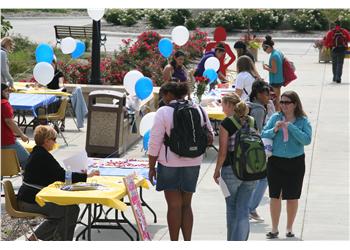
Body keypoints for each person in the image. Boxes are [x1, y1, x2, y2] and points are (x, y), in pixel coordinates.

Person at [148, 82, 213, 241]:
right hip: (194, 162)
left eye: (164, 95)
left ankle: (174, 241)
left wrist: (151, 167)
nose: (163, 99)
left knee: (174, 205)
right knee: (186, 205)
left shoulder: (163, 112)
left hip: (169, 163)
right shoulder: (199, 109)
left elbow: (154, 142)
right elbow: (209, 136)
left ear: (169, 95)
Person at [17, 125, 100, 240]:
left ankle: (38, 238)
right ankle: (60, 241)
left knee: (66, 210)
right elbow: (62, 175)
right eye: (54, 140)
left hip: (29, 198)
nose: (55, 142)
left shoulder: (38, 153)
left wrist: (78, 175)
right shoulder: (43, 156)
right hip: (30, 201)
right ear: (46, 141)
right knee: (70, 210)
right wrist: (86, 176)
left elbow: (57, 175)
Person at [261, 91, 312, 239]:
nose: (283, 105)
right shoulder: (276, 117)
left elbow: (307, 140)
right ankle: (275, 228)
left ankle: (289, 228)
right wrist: (275, 129)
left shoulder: (303, 121)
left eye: (286, 102)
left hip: (295, 162)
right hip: (276, 161)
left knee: (292, 196)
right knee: (275, 195)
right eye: (281, 102)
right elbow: (264, 134)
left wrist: (291, 127)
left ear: (295, 104)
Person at [213, 93, 257, 241]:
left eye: (223, 104)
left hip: (231, 170)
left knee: (231, 208)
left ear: (230, 106)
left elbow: (223, 152)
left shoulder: (226, 123)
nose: (222, 107)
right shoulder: (251, 121)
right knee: (243, 209)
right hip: (251, 170)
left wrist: (216, 170)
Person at [246, 79, 276, 222]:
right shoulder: (258, 109)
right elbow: (258, 132)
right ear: (258, 94)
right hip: (255, 149)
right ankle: (250, 208)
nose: (268, 97)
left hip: (245, 148)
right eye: (265, 94)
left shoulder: (247, 104)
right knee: (264, 179)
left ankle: (247, 208)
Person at [1, 83, 30, 168]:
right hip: (6, 140)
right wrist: (21, 135)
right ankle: (27, 181)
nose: (8, 93)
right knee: (27, 161)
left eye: (9, 91)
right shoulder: (4, 103)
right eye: (6, 91)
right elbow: (9, 121)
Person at [262, 35, 284, 112]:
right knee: (278, 97)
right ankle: (279, 112)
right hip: (279, 79)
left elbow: (274, 70)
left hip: (275, 80)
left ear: (269, 47)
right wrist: (269, 66)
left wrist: (266, 68)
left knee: (276, 99)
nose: (264, 51)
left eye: (265, 49)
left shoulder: (273, 56)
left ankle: (278, 113)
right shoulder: (277, 52)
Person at [46, 57, 66, 131]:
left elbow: (61, 82)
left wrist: (61, 86)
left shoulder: (59, 73)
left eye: (52, 64)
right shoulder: (46, 73)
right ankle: (51, 122)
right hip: (49, 94)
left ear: (55, 64)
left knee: (59, 101)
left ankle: (62, 123)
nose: (51, 66)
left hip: (59, 93)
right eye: (49, 64)